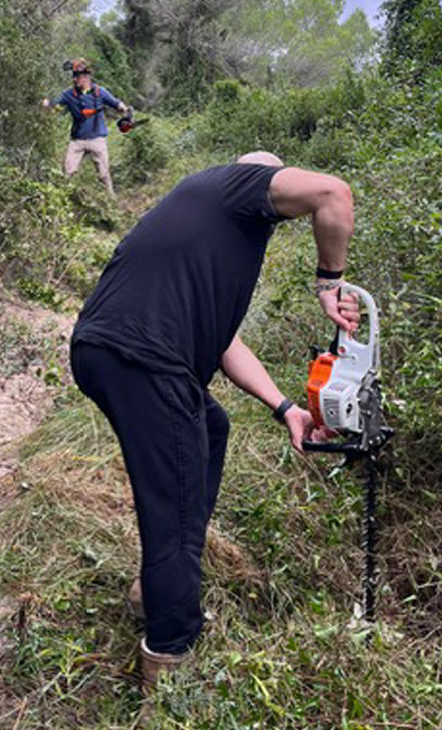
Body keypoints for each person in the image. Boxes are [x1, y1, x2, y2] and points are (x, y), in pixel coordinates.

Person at [69, 152, 359, 691]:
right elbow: (333, 195)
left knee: (211, 427)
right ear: (257, 179)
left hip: (107, 349)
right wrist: (328, 284)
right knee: (175, 500)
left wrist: (287, 409)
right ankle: (169, 655)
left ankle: (160, 585)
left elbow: (224, 345)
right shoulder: (238, 186)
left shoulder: (204, 219)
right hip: (143, 359)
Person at [42, 58, 129, 195]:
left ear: (86, 77)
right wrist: (47, 104)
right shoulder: (68, 94)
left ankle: (111, 204)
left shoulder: (100, 92)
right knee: (68, 173)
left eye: (77, 76)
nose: (74, 80)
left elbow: (116, 103)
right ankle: (65, 201)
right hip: (77, 141)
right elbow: (55, 102)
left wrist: (123, 109)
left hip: (97, 139)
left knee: (104, 175)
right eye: (74, 76)